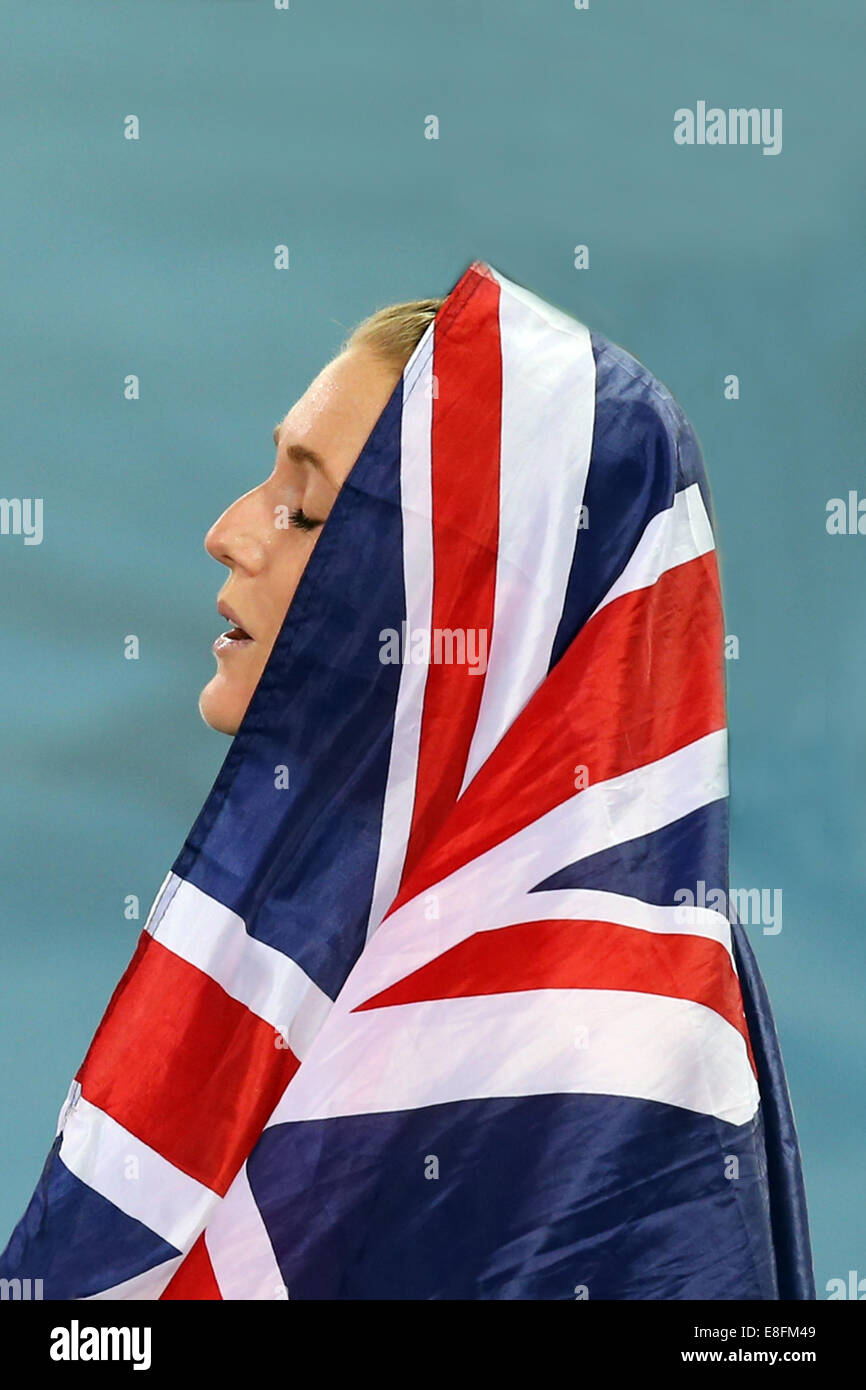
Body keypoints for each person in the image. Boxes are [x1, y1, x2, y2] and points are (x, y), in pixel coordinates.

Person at [0, 260, 814, 1299]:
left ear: (476, 609)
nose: (231, 534)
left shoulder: (611, 1039)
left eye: (304, 513)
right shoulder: (331, 931)